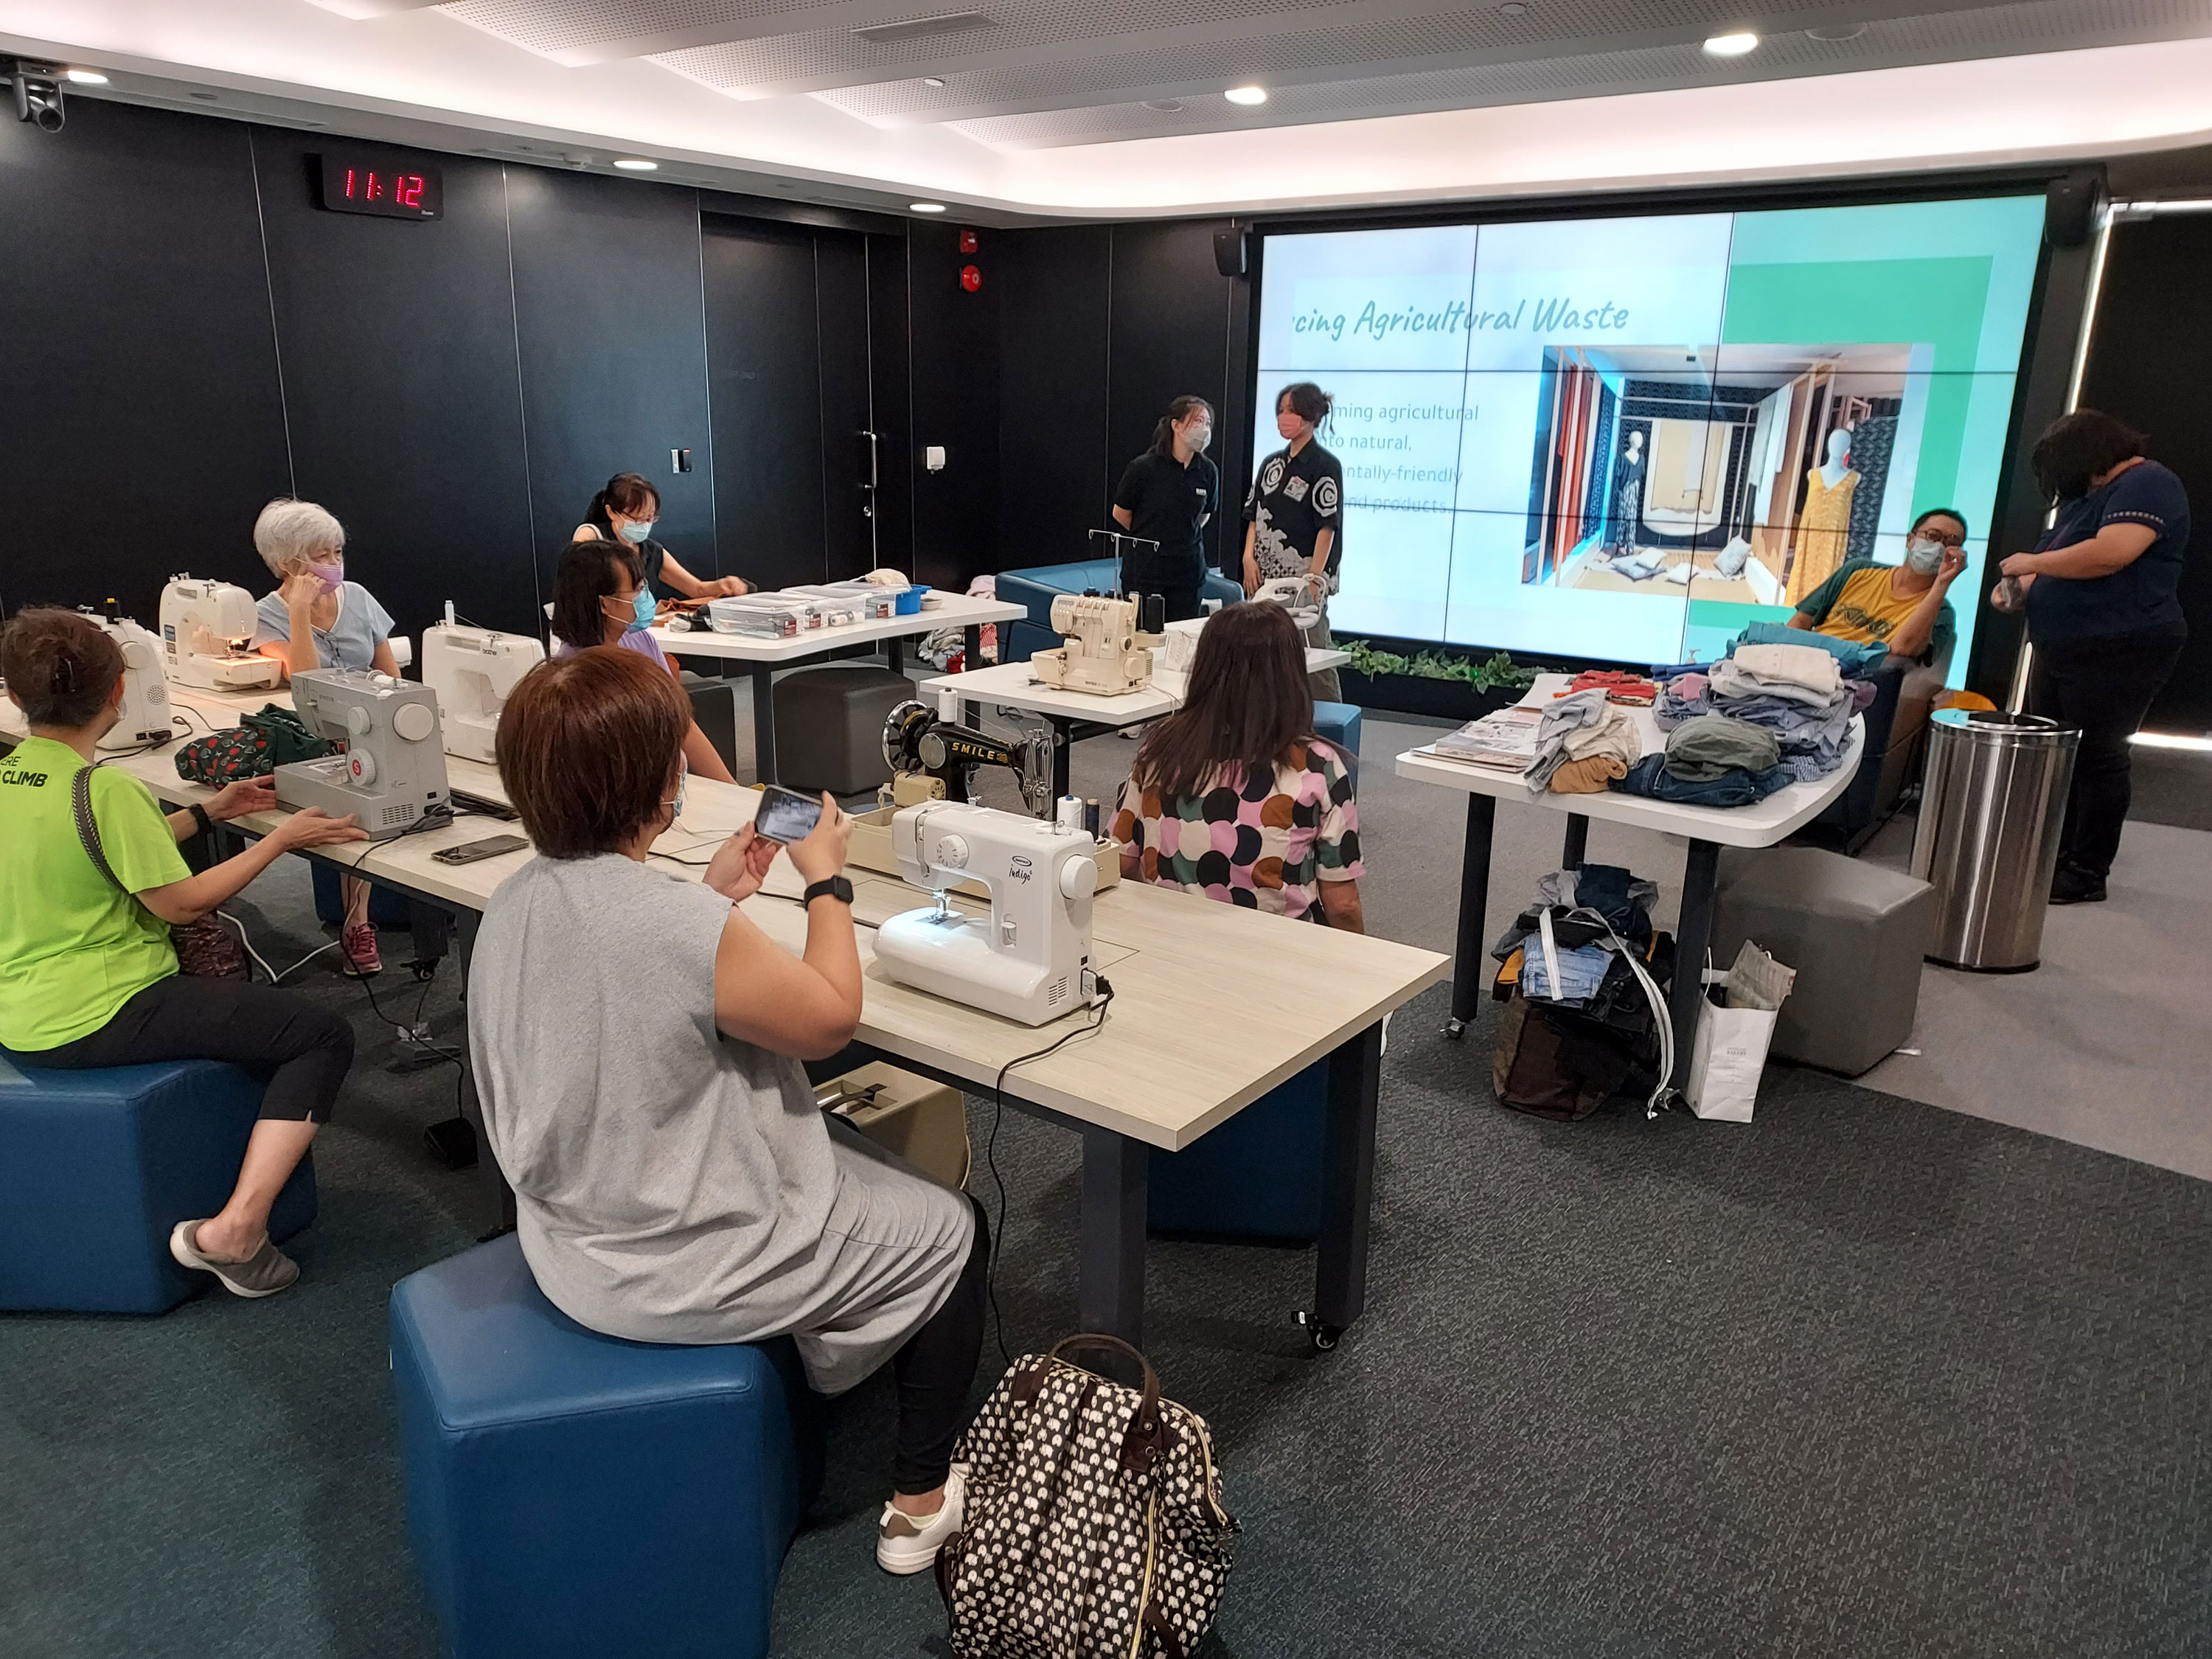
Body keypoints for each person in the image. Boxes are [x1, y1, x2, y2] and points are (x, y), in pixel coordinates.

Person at [467, 647, 987, 1575]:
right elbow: (830, 1021)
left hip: (572, 1241)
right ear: (657, 785)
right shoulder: (673, 926)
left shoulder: (514, 899)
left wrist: (713, 900)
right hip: (676, 1264)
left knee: (833, 1139)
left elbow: (621, 987)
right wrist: (826, 881)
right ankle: (918, 1504)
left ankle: (825, 1360)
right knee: (954, 1226)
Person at [1, 609, 369, 1297]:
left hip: (21, 1010)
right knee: (319, 1035)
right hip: (102, 1010)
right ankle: (236, 1232)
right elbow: (181, 903)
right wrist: (278, 841)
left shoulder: (15, 779)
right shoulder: (104, 790)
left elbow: (100, 852)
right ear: (117, 694)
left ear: (16, 697)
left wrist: (208, 813)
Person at [1994, 410, 2191, 905]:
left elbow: (2112, 553)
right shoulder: (2086, 502)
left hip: (2120, 647)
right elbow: (2053, 563)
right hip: (2063, 647)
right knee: (2055, 754)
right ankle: (2053, 855)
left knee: (2098, 758)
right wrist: (2017, 590)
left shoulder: (2148, 484)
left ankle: (2086, 870)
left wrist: (2032, 564)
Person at [1111, 601, 1364, 930]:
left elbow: (1121, 860)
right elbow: (1342, 906)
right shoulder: (1317, 767)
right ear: (1290, 676)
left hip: (1169, 949)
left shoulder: (1160, 750)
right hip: (1275, 959)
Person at [247, 497, 400, 975]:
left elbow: (390, 674)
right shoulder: (265, 614)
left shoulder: (358, 596)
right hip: (316, 732)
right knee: (349, 803)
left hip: (370, 723)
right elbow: (306, 684)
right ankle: (357, 921)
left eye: (337, 553)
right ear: (289, 563)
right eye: (322, 556)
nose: (335, 564)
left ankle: (364, 912)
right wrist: (298, 613)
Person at [547, 538, 738, 785]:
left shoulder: (639, 640)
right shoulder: (574, 674)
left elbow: (678, 721)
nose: (646, 596)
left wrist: (733, 789)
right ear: (605, 603)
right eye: (637, 589)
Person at [1244, 382, 1346, 700]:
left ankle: (1333, 727)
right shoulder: (1271, 463)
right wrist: (1248, 558)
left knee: (1314, 655)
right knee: (1262, 656)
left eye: (1291, 410)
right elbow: (1254, 514)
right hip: (1265, 577)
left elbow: (1327, 526)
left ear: (1311, 415)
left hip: (1304, 578)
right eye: (1281, 410)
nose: (1284, 417)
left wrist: (1315, 576)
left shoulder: (1324, 465)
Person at [1787, 507, 1969, 665]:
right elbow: (1802, 621)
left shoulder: (1941, 612)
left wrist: (1943, 583)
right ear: (1910, 540)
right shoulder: (1859, 570)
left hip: (1854, 681)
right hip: (1806, 661)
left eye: (1951, 542)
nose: (1939, 546)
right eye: (1932, 536)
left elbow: (1901, 649)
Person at [1111, 395, 1219, 624]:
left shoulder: (1207, 470)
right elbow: (1121, 513)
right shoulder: (1144, 468)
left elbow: (1204, 515)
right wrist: (1154, 534)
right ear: (1177, 425)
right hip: (1146, 572)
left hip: (1188, 573)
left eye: (1208, 423)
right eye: (1198, 421)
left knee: (1182, 638)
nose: (1204, 428)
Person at [571, 473, 747, 604]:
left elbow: (697, 589)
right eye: (638, 519)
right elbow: (575, 580)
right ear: (612, 512)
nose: (645, 524)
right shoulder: (591, 535)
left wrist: (722, 586)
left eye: (650, 518)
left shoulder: (653, 552)